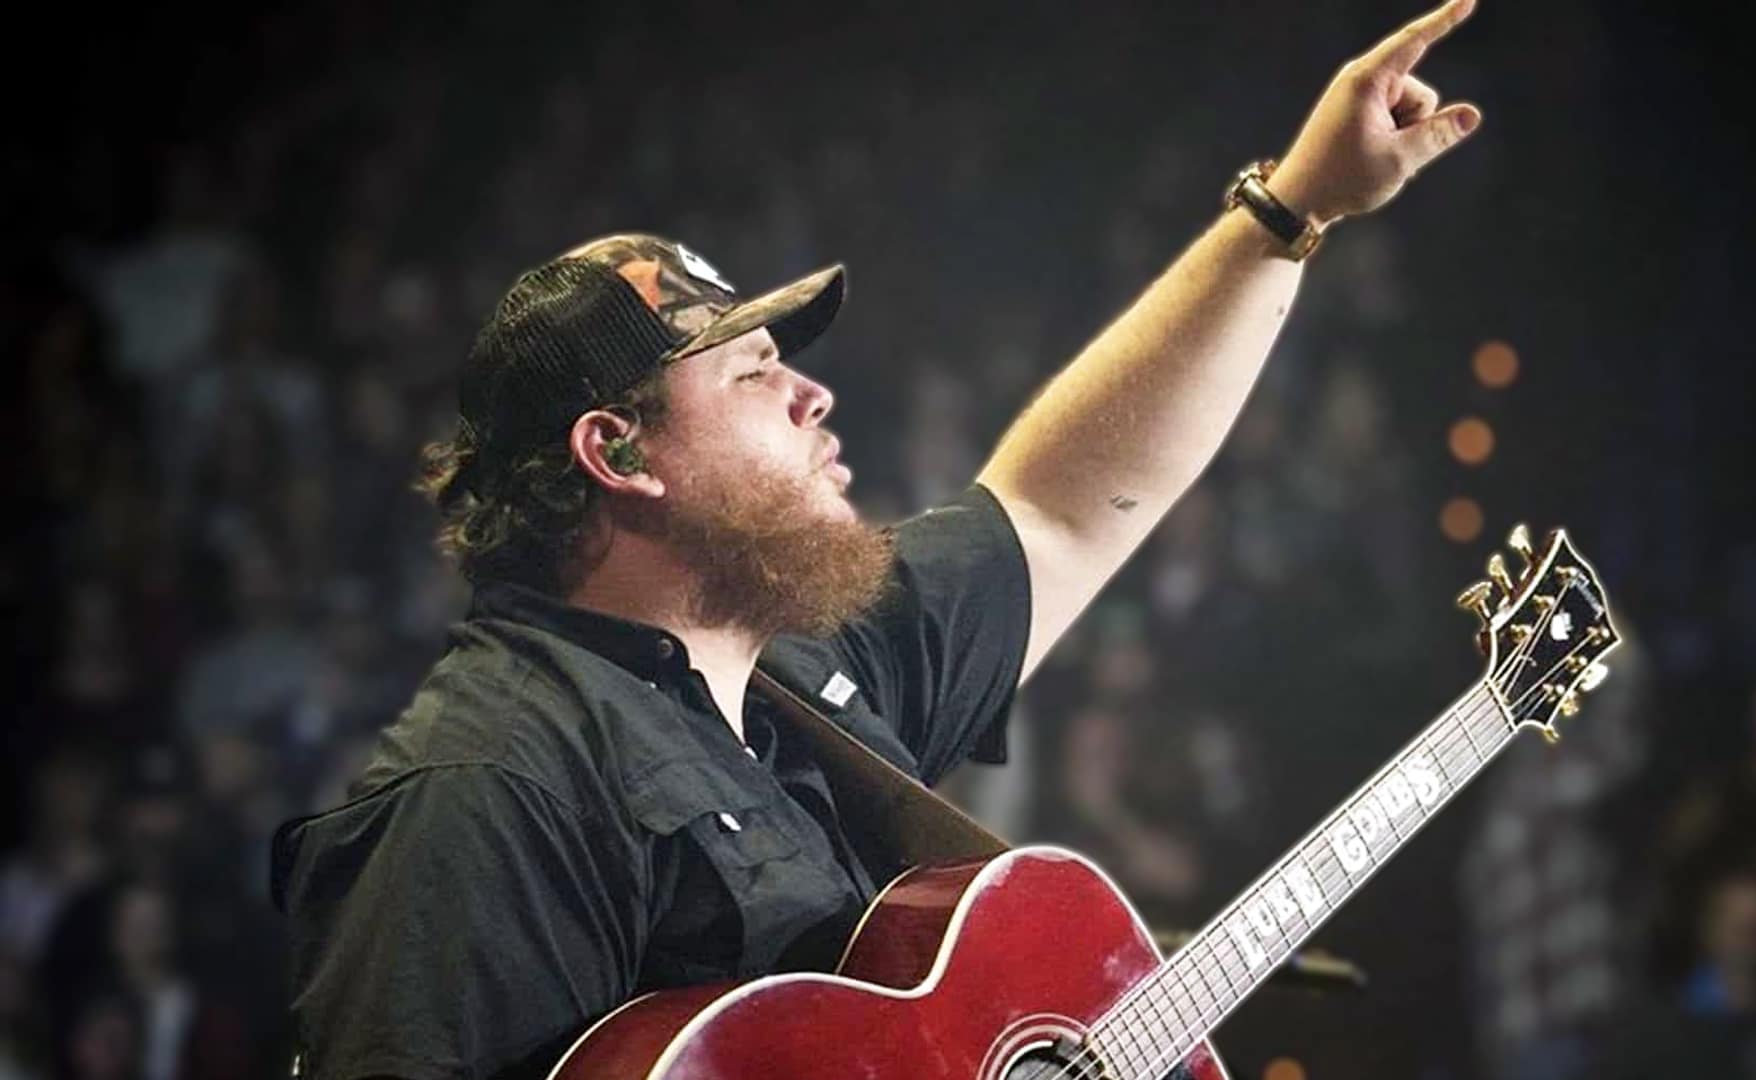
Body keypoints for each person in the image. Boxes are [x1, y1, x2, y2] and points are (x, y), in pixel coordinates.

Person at [270, 1, 1486, 1076]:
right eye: (752, 375)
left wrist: (1288, 212)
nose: (814, 396)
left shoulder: (804, 672)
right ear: (618, 453)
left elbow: (1062, 505)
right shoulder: (490, 791)